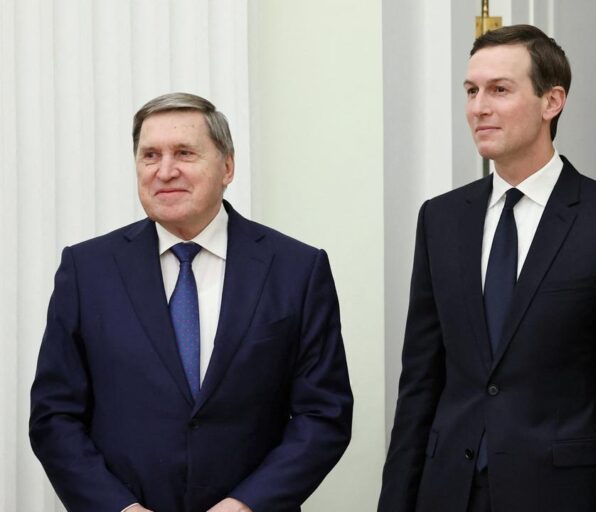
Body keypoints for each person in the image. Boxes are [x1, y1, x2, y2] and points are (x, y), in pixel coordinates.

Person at [379, 24, 596, 511]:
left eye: (499, 90)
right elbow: (420, 384)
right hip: (449, 491)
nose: (478, 107)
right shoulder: (440, 220)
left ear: (551, 101)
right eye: (471, 91)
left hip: (560, 495)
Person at [29, 93, 354, 512]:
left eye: (184, 153)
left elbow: (323, 414)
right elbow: (54, 415)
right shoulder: (87, 269)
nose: (165, 171)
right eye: (150, 155)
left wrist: (246, 504)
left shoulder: (297, 269)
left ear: (227, 167)